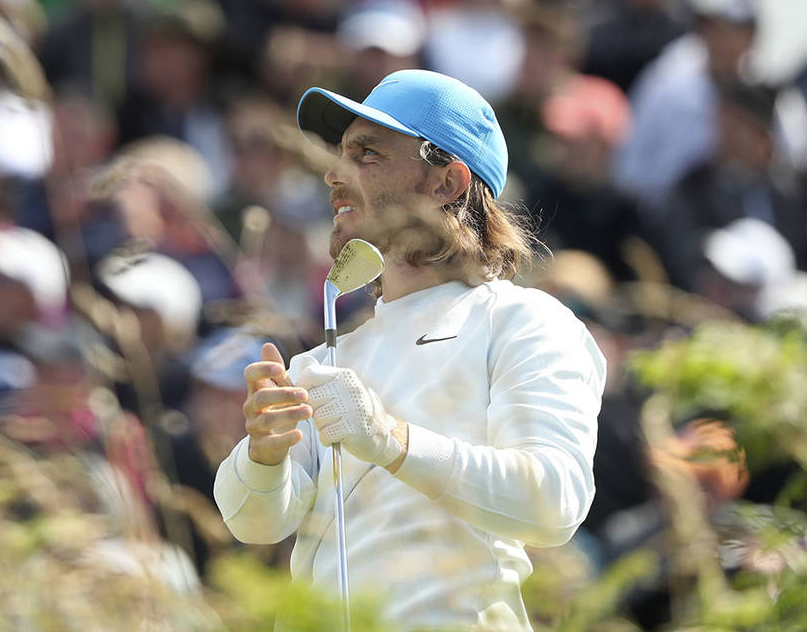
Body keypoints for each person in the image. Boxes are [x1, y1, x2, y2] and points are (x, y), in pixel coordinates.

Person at [213, 69, 605, 630]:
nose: (332, 175)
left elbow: (554, 503)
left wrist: (391, 441)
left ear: (447, 183)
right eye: (340, 154)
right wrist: (264, 456)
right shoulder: (320, 361)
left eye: (367, 154)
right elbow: (254, 524)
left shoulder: (524, 321)